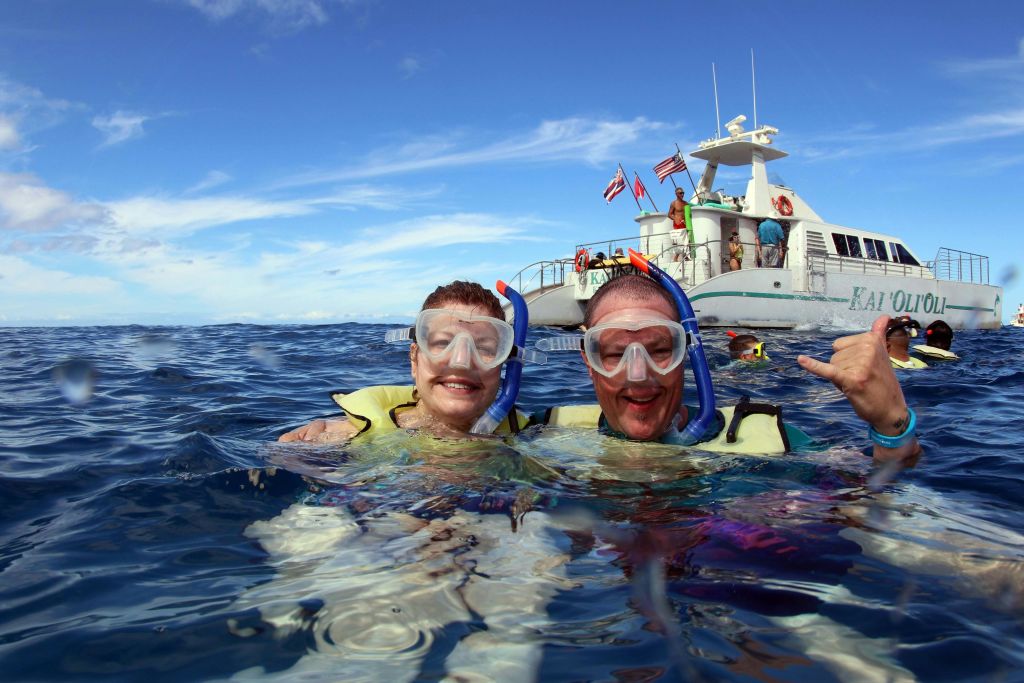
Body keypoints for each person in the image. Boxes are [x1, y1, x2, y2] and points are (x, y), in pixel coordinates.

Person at [539, 261, 921, 463]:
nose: (639, 375)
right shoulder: (544, 441)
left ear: (687, 352)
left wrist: (892, 425)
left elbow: (878, 494)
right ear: (588, 361)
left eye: (659, 350)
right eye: (615, 353)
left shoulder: (770, 442)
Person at [279, 281, 533, 442]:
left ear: (504, 365)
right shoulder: (344, 437)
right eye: (443, 343)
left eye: (483, 348)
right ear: (414, 358)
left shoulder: (536, 438)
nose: (461, 362)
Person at [668, 187, 689, 262]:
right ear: (676, 194)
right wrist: (675, 219)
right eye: (680, 193)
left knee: (687, 240)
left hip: (685, 224)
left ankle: (686, 256)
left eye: (683, 193)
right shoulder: (673, 203)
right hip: (677, 224)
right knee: (680, 241)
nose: (682, 194)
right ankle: (675, 258)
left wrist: (687, 221)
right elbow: (669, 214)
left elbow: (688, 214)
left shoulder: (686, 203)